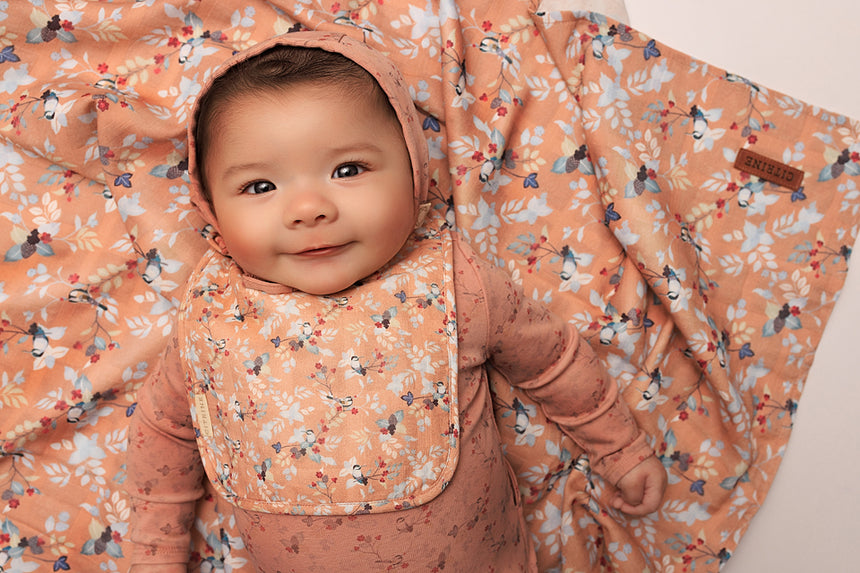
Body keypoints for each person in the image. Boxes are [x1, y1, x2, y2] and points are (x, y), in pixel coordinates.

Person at [126, 30, 667, 572]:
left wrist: (618, 448)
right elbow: (164, 429)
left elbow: (552, 360)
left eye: (348, 170)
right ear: (211, 207)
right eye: (260, 186)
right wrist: (154, 552)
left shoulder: (455, 283)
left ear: (413, 169)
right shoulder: (215, 315)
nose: (309, 208)